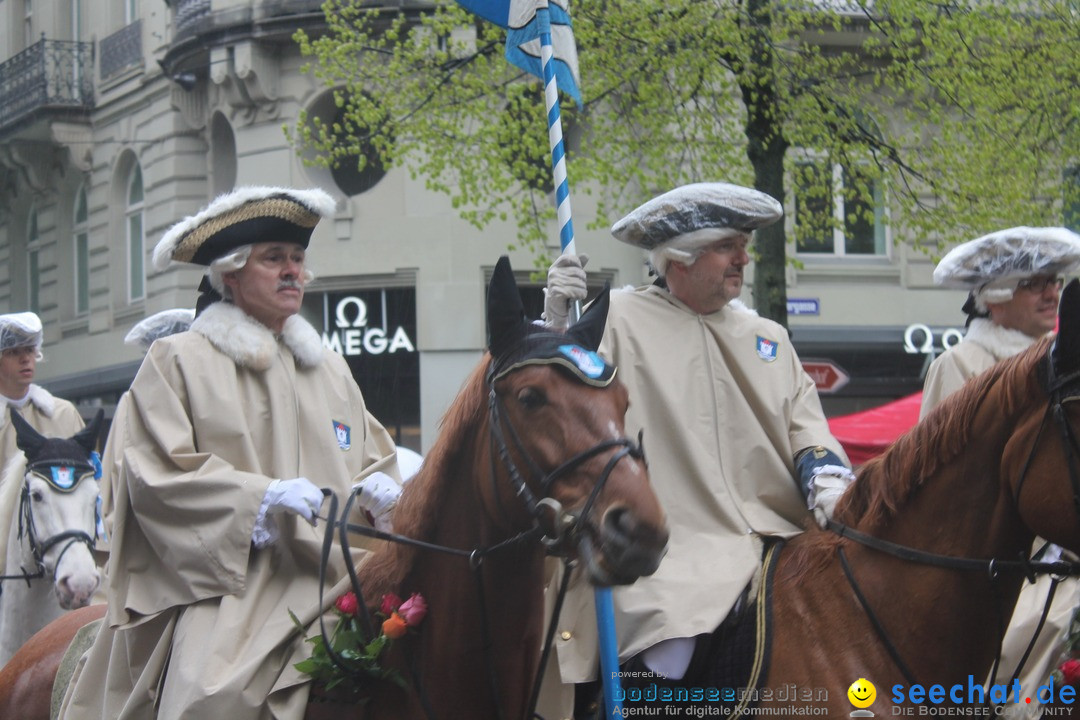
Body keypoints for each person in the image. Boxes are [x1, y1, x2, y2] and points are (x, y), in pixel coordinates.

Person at [59, 186, 403, 720]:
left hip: (345, 576)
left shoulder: (331, 367)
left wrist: (387, 496)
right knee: (211, 697)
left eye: (297, 258)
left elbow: (371, 461)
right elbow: (151, 477)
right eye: (274, 259)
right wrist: (259, 499)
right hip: (236, 588)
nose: (293, 271)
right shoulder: (178, 360)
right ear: (231, 275)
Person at [539, 182, 854, 716]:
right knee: (671, 628)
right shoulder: (614, 317)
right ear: (680, 259)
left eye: (744, 244)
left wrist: (826, 478)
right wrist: (558, 325)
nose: (743, 258)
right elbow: (557, 393)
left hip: (777, 533)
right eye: (728, 245)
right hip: (669, 545)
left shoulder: (769, 336)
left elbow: (808, 427)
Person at [920, 226, 1080, 716]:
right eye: (1035, 283)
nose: (1053, 292)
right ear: (995, 298)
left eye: (1054, 281)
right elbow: (945, 489)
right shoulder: (961, 364)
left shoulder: (1066, 367)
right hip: (1016, 567)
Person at [0, 311, 85, 570]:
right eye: (14, 351)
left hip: (61, 546)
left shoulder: (63, 413)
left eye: (30, 349)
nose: (26, 358)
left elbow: (90, 477)